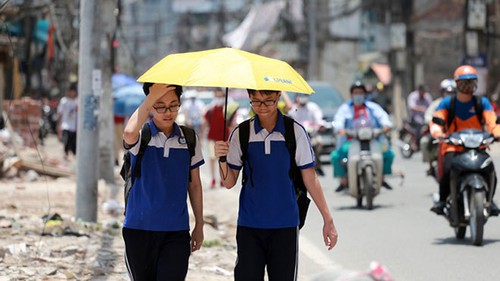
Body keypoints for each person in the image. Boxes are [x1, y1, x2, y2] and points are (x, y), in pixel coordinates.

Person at [214, 89, 338, 281]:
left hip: (285, 226)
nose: (262, 108)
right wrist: (222, 159)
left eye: (268, 101)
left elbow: (310, 178)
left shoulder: (295, 132)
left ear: (279, 97)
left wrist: (327, 219)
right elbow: (229, 182)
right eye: (256, 102)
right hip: (249, 226)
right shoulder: (242, 133)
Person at [122, 82, 204, 280]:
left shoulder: (189, 139)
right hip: (138, 230)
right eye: (160, 106)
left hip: (176, 231)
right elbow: (128, 134)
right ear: (150, 107)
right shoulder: (142, 136)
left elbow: (194, 184)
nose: (168, 112)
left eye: (173, 105)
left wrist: (199, 224)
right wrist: (150, 98)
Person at [430, 65, 500, 215]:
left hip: (477, 146)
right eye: (464, 83)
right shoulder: (448, 103)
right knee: (448, 170)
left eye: (471, 83)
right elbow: (436, 121)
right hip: (453, 147)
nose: (468, 86)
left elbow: (492, 121)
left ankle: (489, 200)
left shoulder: (482, 103)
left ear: (475, 84)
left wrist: (497, 133)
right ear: (457, 84)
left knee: (490, 171)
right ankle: (442, 201)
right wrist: (438, 133)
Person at [331, 81, 394, 192]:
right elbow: (338, 121)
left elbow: (384, 118)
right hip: (351, 142)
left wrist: (385, 126)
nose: (358, 95)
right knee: (336, 156)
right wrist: (340, 129)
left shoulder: (373, 107)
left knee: (388, 154)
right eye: (356, 93)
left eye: (360, 93)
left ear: (364, 94)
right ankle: (344, 180)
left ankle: (382, 178)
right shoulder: (345, 108)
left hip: (373, 141)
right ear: (351, 95)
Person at [203, 87, 239, 188]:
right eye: (216, 95)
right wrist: (201, 137)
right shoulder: (210, 108)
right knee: (212, 158)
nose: (218, 97)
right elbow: (205, 123)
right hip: (212, 137)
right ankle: (213, 178)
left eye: (220, 95)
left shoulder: (228, 109)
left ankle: (222, 179)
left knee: (223, 159)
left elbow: (233, 124)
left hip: (225, 138)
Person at [421, 79, 456, 177]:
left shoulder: (459, 103)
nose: (449, 94)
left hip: (455, 133)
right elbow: (428, 115)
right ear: (442, 92)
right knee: (424, 142)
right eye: (447, 92)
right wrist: (433, 123)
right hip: (439, 132)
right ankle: (431, 166)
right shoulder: (437, 104)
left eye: (451, 92)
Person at [288, 93, 325, 176]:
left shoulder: (313, 107)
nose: (302, 98)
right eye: (300, 96)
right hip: (298, 136)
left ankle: (317, 164)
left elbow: (318, 119)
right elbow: (291, 117)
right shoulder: (295, 108)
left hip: (312, 134)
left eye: (304, 96)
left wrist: (320, 125)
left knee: (318, 142)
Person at [56, 83, 78, 160]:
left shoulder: (77, 102)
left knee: (74, 142)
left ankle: (74, 156)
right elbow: (60, 114)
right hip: (65, 125)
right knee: (66, 140)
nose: (72, 93)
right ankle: (66, 154)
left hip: (74, 126)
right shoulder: (64, 101)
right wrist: (58, 126)